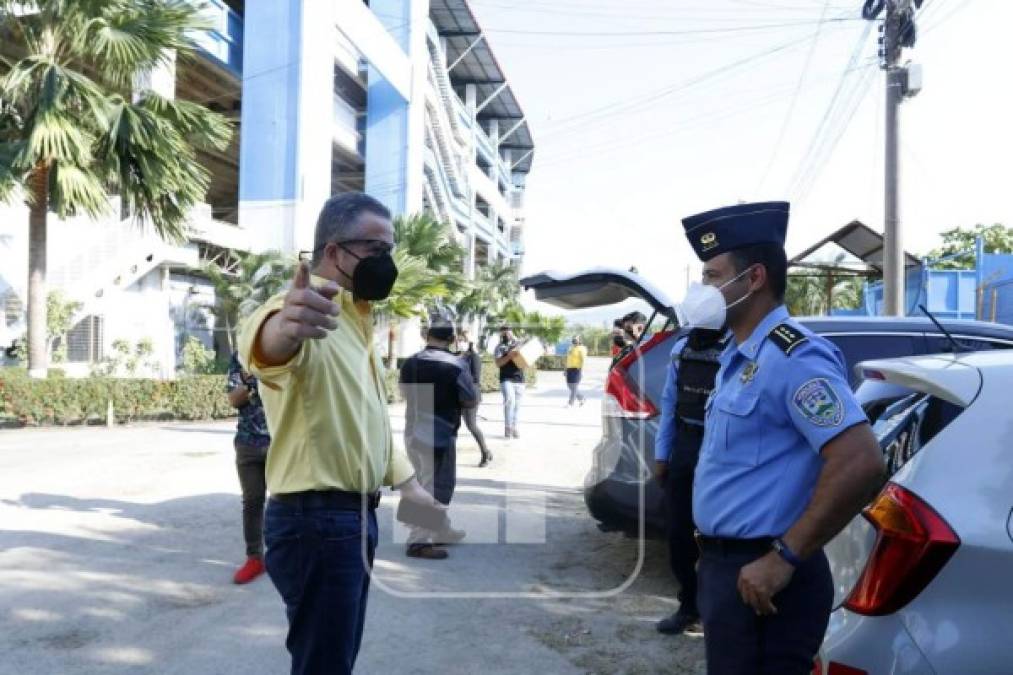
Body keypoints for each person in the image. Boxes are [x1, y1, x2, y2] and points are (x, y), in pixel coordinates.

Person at [237, 192, 447, 675]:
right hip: (316, 521)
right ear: (334, 252)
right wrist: (283, 327)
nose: (387, 262)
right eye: (376, 250)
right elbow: (266, 347)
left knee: (334, 658)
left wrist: (409, 485)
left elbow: (368, 418)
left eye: (389, 249)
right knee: (324, 665)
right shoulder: (295, 311)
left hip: (350, 518)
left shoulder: (356, 321)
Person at [678, 201, 885, 674]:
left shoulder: (793, 357)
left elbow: (860, 461)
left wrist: (784, 558)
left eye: (712, 277)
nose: (702, 290)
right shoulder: (740, 356)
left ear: (753, 279)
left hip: (768, 578)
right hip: (730, 570)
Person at [652, 327, 728, 635]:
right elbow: (670, 401)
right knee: (679, 532)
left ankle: (721, 612)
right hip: (686, 442)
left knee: (721, 534)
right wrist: (662, 455)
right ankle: (689, 608)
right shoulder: (683, 348)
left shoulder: (737, 345)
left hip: (722, 448)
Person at [399, 313, 478, 559]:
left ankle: (443, 531)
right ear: (453, 338)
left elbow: (403, 392)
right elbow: (470, 398)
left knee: (423, 481)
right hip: (438, 433)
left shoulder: (411, 362)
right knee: (432, 487)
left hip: (412, 430)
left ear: (427, 335)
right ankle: (418, 542)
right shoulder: (457, 365)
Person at [225, 351, 271, 585]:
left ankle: (287, 555)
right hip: (248, 443)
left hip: (282, 444)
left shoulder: (288, 350)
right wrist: (252, 381)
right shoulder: (241, 358)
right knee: (252, 502)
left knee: (289, 501)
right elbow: (234, 399)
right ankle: (255, 558)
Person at [457, 336, 493, 467]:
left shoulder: (473, 357)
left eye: (463, 340)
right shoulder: (457, 356)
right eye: (459, 339)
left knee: (471, 425)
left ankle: (485, 453)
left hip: (469, 395)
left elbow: (476, 379)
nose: (460, 342)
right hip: (456, 396)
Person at [494, 325, 524, 439]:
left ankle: (515, 427)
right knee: (509, 401)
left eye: (508, 332)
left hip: (520, 379)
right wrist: (509, 356)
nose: (506, 334)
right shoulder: (499, 347)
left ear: (512, 332)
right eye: (503, 333)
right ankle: (508, 428)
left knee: (517, 405)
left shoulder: (519, 343)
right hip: (506, 379)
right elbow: (498, 364)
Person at [564, 335, 588, 407]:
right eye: (573, 339)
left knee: (574, 386)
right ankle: (582, 398)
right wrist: (565, 369)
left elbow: (583, 360)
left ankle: (570, 403)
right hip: (569, 369)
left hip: (576, 369)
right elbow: (568, 359)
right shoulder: (570, 348)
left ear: (580, 340)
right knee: (569, 385)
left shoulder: (582, 349)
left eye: (576, 339)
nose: (574, 340)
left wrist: (582, 370)